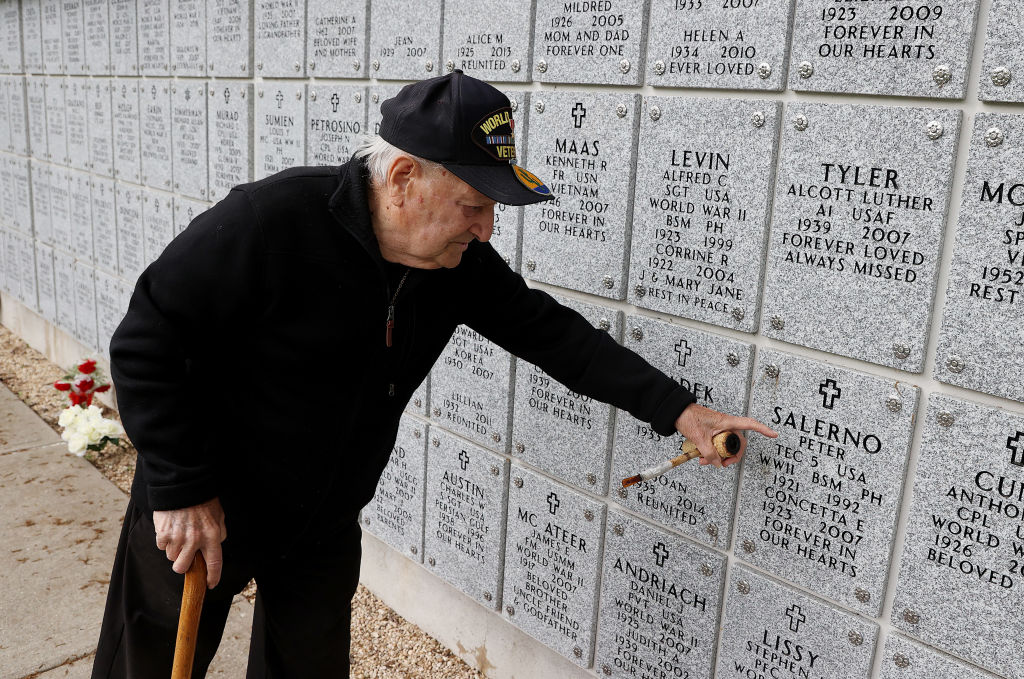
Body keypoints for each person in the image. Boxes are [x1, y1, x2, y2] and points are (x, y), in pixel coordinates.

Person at [91, 70, 777, 678]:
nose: (485, 231)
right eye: (474, 206)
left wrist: (683, 412)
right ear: (402, 179)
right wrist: (182, 486)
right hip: (208, 500)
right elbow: (149, 339)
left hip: (322, 519)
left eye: (492, 212)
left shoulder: (456, 267)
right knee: (145, 665)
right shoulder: (271, 222)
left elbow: (556, 336)